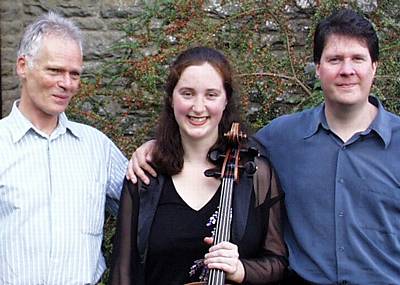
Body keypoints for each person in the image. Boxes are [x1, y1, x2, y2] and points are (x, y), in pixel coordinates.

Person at [126, 9, 400, 285]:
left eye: (358, 59)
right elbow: (213, 139)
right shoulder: (281, 137)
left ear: (374, 66)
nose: (347, 70)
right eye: (335, 59)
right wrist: (155, 146)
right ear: (318, 68)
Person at [109, 46, 287, 284]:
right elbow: (123, 272)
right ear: (171, 98)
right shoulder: (146, 175)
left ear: (226, 101)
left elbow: (277, 263)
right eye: (187, 93)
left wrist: (240, 270)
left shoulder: (254, 173)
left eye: (211, 95)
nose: (198, 107)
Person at [0, 12, 127, 284]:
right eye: (55, 70)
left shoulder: (98, 148)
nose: (66, 84)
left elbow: (147, 211)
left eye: (75, 74)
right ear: (23, 66)